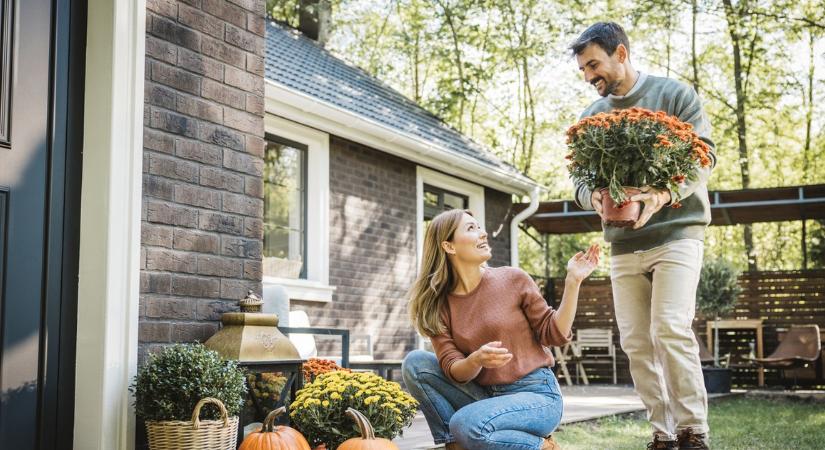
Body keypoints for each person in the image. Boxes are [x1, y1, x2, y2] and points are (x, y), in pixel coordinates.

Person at [569, 22, 716, 450]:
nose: (589, 76)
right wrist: (594, 198)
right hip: (623, 244)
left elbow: (703, 156)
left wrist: (661, 195)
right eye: (583, 70)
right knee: (635, 340)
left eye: (594, 64)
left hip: (677, 233)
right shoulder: (591, 118)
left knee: (669, 327)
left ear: (621, 53)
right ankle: (663, 433)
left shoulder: (674, 96)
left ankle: (693, 431)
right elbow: (578, 182)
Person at [401, 209, 600, 450]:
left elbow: (553, 333)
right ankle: (455, 445)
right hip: (485, 396)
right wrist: (476, 360)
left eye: (480, 227)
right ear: (449, 246)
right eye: (471, 228)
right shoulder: (438, 305)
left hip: (537, 395)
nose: (483, 234)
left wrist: (573, 282)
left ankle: (543, 447)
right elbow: (454, 370)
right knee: (415, 363)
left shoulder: (513, 279)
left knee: (466, 424)